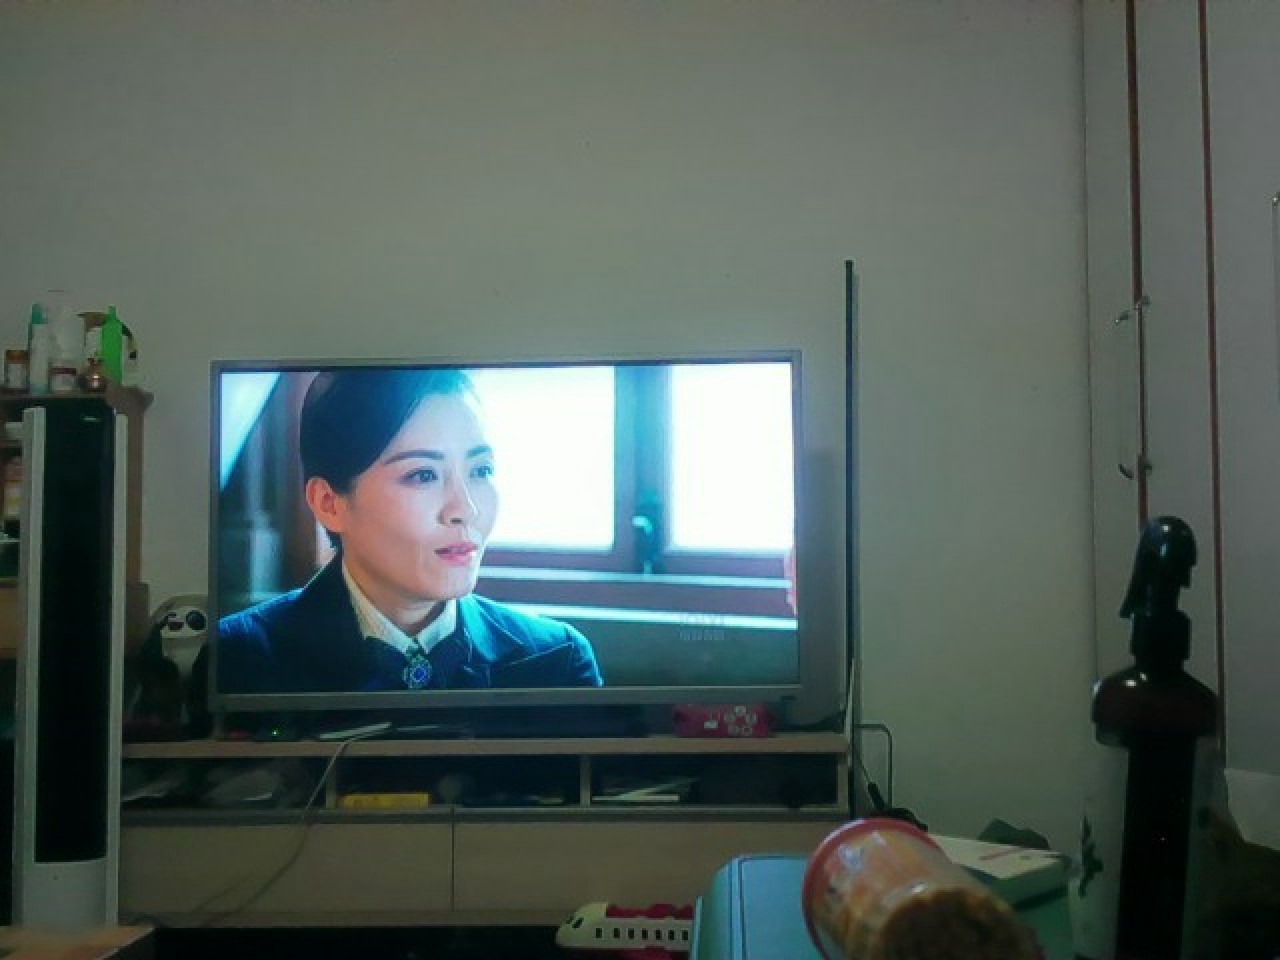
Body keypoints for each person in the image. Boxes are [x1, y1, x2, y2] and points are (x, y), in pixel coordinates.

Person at [218, 367, 603, 693]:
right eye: (423, 475)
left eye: (481, 470)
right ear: (329, 503)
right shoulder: (241, 659)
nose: (465, 510)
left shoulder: (558, 662)